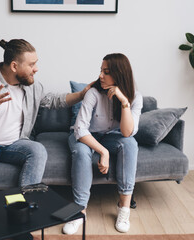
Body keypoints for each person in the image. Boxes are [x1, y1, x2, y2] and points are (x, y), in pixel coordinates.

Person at [0, 39, 91, 240]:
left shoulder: (31, 86)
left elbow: (52, 100)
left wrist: (81, 94)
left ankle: (21, 220)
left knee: (38, 150)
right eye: (32, 64)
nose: (36, 69)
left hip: (15, 143)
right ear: (14, 66)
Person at [62, 53, 143, 235]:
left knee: (130, 144)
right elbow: (80, 129)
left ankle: (124, 208)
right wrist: (103, 152)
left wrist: (124, 102)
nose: (100, 76)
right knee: (82, 153)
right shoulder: (93, 93)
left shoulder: (135, 97)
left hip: (113, 136)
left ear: (119, 74)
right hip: (86, 136)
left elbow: (127, 133)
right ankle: (78, 211)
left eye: (106, 72)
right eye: (101, 71)